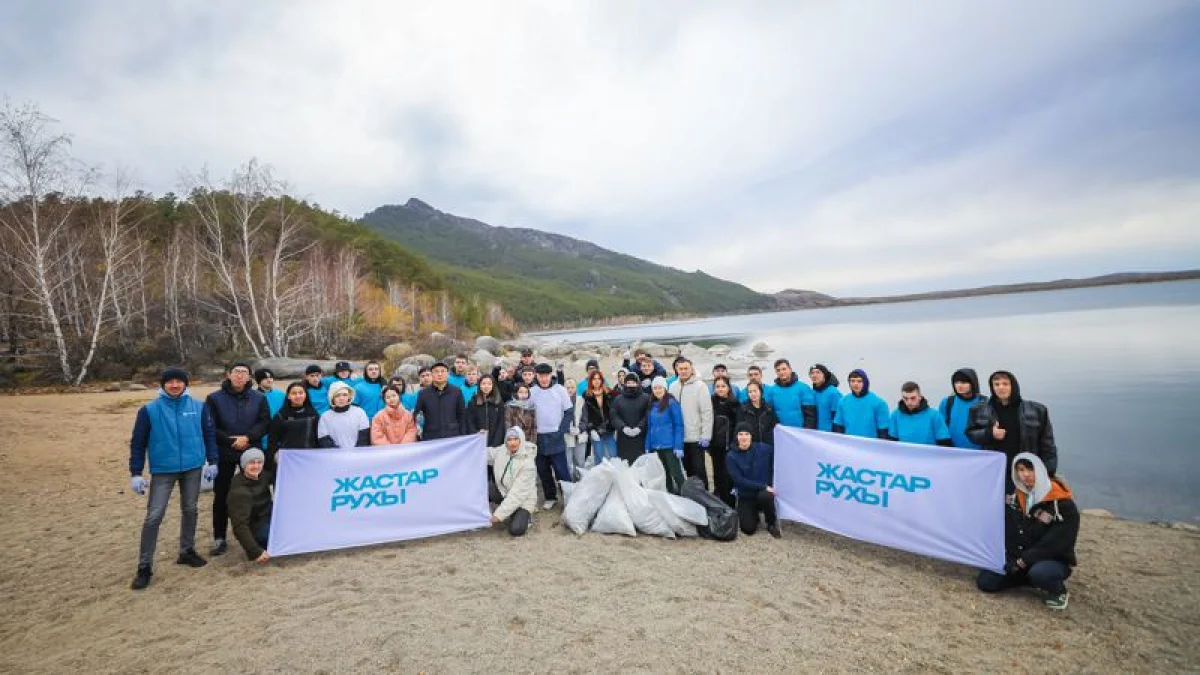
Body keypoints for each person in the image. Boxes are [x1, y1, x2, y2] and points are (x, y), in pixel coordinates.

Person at [128, 367, 219, 590]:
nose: (175, 385)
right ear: (163, 384)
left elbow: (209, 434)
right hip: (162, 470)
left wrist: (212, 460)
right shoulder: (149, 410)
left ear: (186, 384)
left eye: (179, 381)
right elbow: (138, 443)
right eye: (170, 382)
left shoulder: (199, 407)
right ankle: (144, 565)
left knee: (190, 508)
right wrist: (136, 473)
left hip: (193, 467)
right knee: (154, 516)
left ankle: (186, 551)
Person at [975, 453, 1078, 610]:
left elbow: (1055, 544)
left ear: (1041, 471)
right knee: (986, 582)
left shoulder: (1062, 504)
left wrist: (1023, 561)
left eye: (1031, 469)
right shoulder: (1014, 497)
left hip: (1050, 559)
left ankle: (1058, 591)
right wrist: (1008, 559)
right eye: (1021, 470)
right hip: (1018, 558)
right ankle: (1026, 578)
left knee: (1041, 573)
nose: (1026, 475)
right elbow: (1006, 529)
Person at [206, 361, 269, 557]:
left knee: (257, 493)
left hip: (251, 450)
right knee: (222, 495)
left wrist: (248, 438)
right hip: (225, 450)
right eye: (236, 372)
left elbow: (264, 421)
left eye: (244, 372)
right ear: (228, 375)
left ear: (249, 377)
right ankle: (219, 537)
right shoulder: (214, 398)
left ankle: (256, 534)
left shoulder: (258, 398)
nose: (240, 376)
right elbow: (210, 425)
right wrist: (230, 440)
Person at [966, 370, 1058, 489]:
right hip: (997, 469)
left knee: (1028, 505)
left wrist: (1048, 471)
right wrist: (990, 433)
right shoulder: (978, 409)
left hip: (1026, 469)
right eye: (997, 384)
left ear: (1013, 386)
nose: (1001, 387)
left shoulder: (1037, 410)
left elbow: (1048, 444)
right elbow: (970, 433)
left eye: (1005, 384)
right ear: (992, 387)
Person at [529, 363, 574, 508]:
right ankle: (550, 497)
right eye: (540, 376)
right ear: (536, 376)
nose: (543, 379)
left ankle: (568, 496)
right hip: (539, 436)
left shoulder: (560, 390)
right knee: (543, 469)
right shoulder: (532, 391)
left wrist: (561, 430)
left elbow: (568, 412)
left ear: (550, 375)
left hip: (556, 435)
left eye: (546, 376)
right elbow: (527, 413)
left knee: (561, 469)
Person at [726, 424, 780, 538]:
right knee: (748, 529)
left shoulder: (763, 449)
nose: (744, 437)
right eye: (740, 434)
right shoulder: (731, 456)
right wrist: (763, 486)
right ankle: (753, 513)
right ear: (736, 437)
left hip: (762, 493)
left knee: (766, 496)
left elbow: (781, 452)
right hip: (746, 495)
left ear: (751, 436)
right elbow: (739, 481)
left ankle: (771, 522)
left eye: (747, 434)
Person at [486, 427, 539, 536]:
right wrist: (478, 439)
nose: (512, 443)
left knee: (516, 529)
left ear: (521, 440)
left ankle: (525, 516)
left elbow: (516, 495)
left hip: (522, 500)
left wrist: (499, 515)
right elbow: (484, 453)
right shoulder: (502, 451)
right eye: (509, 439)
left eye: (516, 439)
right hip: (503, 491)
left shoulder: (528, 464)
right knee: (485, 488)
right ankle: (504, 510)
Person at [668, 359, 714, 486]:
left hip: (696, 437)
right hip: (680, 438)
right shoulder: (673, 387)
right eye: (680, 369)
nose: (683, 371)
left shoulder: (700, 386)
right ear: (676, 370)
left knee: (699, 470)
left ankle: (704, 498)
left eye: (685, 368)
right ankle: (692, 498)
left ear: (691, 369)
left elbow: (707, 412)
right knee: (686, 471)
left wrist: (706, 436)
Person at [226, 448, 273, 564]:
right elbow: (239, 526)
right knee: (278, 537)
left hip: (269, 514)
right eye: (252, 463)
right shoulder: (240, 493)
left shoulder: (263, 476)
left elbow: (280, 475)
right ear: (243, 465)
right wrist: (255, 552)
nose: (256, 466)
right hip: (257, 527)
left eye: (259, 462)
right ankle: (260, 545)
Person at [267, 382, 320, 471]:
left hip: (309, 457)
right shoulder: (281, 416)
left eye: (301, 393)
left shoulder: (313, 413)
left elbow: (318, 436)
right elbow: (272, 441)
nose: (298, 396)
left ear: (305, 395)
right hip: (288, 459)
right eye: (294, 393)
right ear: (288, 396)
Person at [646, 377, 686, 494]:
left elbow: (679, 425)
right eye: (655, 388)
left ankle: (686, 496)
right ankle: (671, 496)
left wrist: (678, 446)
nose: (657, 390)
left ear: (665, 388)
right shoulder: (652, 405)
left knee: (676, 473)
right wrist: (647, 446)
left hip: (669, 446)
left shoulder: (672, 403)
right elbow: (650, 427)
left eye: (660, 388)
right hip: (656, 446)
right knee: (664, 473)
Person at [414, 362, 468, 441]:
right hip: (431, 438)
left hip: (453, 437)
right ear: (432, 374)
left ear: (448, 374)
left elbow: (462, 416)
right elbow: (416, 414)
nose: (439, 374)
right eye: (436, 371)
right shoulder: (423, 394)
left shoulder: (457, 392)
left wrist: (463, 437)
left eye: (442, 371)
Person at [888, 382, 952, 446]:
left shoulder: (935, 416)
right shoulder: (895, 415)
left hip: (928, 455)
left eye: (913, 398)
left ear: (920, 397)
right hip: (904, 455)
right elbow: (892, 443)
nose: (909, 402)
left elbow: (944, 443)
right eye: (905, 398)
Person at [708, 376, 740, 507]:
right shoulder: (711, 402)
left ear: (728, 388)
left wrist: (735, 443)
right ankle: (719, 502)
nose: (720, 389)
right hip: (715, 445)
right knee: (717, 474)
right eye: (718, 386)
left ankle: (731, 504)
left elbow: (738, 425)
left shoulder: (735, 404)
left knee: (728, 476)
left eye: (723, 386)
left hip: (729, 445)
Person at [832, 369, 890, 439]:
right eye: (852, 381)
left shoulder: (879, 403)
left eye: (859, 381)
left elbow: (883, 431)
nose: (855, 384)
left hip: (870, 447)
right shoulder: (843, 401)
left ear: (865, 382)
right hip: (849, 445)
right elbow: (838, 426)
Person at [939, 368, 987, 449]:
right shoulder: (947, 402)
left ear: (973, 383)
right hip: (953, 453)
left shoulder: (985, 402)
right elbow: (940, 429)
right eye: (956, 382)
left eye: (964, 382)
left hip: (979, 454)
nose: (959, 385)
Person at [765, 359, 817, 429]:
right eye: (778, 370)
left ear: (790, 369)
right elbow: (769, 414)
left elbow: (810, 415)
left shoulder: (803, 388)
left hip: (799, 432)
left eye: (784, 369)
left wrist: (806, 432)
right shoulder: (771, 391)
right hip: (781, 432)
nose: (781, 372)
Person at [611, 372, 650, 464]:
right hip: (623, 438)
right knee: (625, 463)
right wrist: (623, 427)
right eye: (628, 383)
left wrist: (640, 427)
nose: (631, 385)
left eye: (633, 382)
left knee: (641, 463)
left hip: (641, 437)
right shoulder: (618, 399)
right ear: (624, 384)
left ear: (638, 383)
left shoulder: (646, 398)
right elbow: (614, 415)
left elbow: (647, 414)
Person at [317, 381, 371, 448]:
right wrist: (340, 454)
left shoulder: (360, 412)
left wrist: (356, 453)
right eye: (337, 395)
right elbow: (324, 439)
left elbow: (364, 438)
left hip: (357, 455)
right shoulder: (325, 417)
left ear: (349, 397)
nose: (341, 398)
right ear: (332, 398)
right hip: (335, 456)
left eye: (345, 395)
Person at [580, 371, 617, 465]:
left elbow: (614, 411)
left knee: (614, 455)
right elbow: (586, 415)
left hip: (609, 429)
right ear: (590, 381)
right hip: (596, 432)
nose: (596, 381)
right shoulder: (587, 395)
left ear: (602, 380)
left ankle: (614, 478)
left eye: (598, 379)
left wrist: (612, 425)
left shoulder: (608, 392)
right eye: (594, 379)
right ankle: (601, 478)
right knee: (599, 457)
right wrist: (591, 430)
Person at [467, 375, 506, 447]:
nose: (486, 386)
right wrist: (477, 433)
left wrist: (496, 443)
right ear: (479, 386)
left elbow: (501, 424)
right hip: (477, 441)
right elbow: (470, 422)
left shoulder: (498, 402)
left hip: (495, 442)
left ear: (493, 386)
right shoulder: (473, 402)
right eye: (483, 383)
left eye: (489, 384)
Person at [737, 381, 779, 446]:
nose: (753, 394)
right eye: (750, 392)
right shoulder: (742, 409)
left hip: (766, 446)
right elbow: (739, 429)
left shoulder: (768, 408)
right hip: (750, 446)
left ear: (760, 391)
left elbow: (775, 426)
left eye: (755, 391)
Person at [808, 364, 842, 432]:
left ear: (824, 375)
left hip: (828, 435)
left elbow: (838, 418)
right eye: (812, 373)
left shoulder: (833, 393)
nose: (814, 375)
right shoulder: (811, 393)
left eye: (818, 372)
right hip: (814, 433)